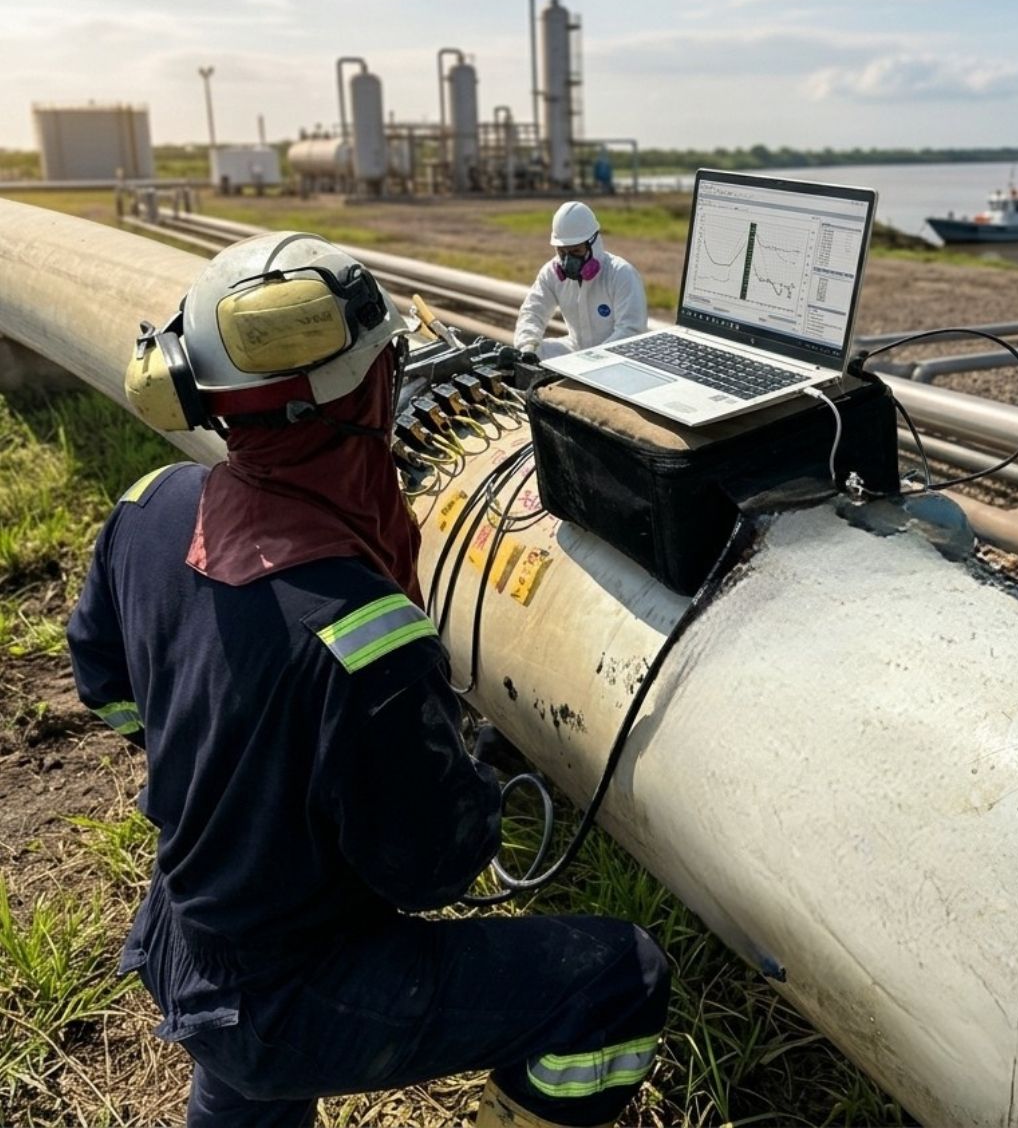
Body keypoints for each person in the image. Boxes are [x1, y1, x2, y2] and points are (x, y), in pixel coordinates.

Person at [67, 231, 670, 1128]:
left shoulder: (148, 510)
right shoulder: (363, 638)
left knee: (245, 1067)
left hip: (185, 936)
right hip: (288, 991)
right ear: (375, 391)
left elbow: (107, 684)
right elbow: (431, 871)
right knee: (621, 979)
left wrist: (226, 769)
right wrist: (467, 780)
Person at [514, 201, 647, 360]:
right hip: (577, 350)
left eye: (576, 250)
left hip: (616, 358)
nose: (568, 260)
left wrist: (592, 360)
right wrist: (528, 348)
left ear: (594, 243)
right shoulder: (551, 273)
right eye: (562, 251)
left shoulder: (620, 274)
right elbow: (533, 312)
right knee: (534, 351)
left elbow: (631, 331)